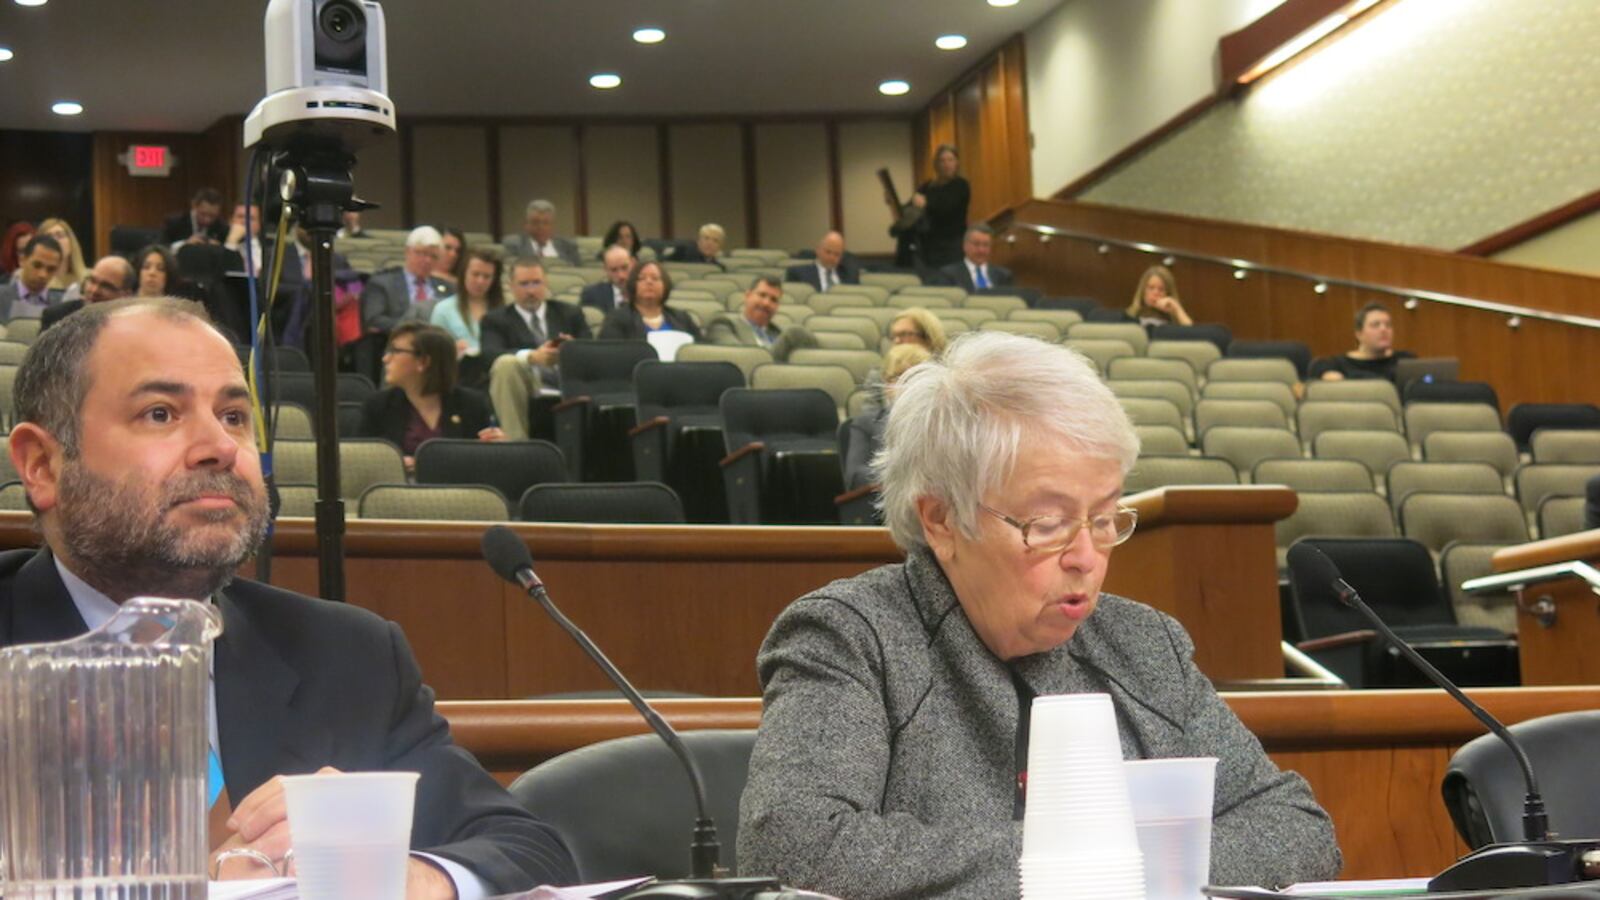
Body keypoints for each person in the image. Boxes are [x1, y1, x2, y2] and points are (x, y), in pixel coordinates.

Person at [0, 297, 577, 896]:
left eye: (233, 416)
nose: (220, 447)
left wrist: (403, 875)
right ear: (42, 465)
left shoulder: (345, 653)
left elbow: (528, 850)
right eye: (160, 413)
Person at [738, 331, 1342, 897]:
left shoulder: (1144, 643)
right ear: (941, 520)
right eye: (1048, 523)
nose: (1087, 557)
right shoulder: (851, 638)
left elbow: (1296, 829)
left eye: (1104, 519)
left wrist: (1099, 866)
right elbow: (792, 849)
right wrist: (1106, 862)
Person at [361, 321, 505, 470]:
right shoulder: (378, 406)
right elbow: (362, 461)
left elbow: (486, 463)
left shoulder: (472, 405)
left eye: (396, 351)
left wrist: (498, 448)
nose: (385, 359)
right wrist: (393, 464)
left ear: (423, 361)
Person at [484, 258, 591, 440]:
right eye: (524, 284)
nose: (531, 290)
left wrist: (572, 350)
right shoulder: (495, 320)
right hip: (527, 384)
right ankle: (516, 446)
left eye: (536, 283)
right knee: (505, 364)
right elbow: (489, 356)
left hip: (567, 382)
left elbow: (592, 352)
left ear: (545, 283)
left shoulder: (570, 313)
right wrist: (532, 357)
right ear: (511, 286)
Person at [843, 342, 930, 491]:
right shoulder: (865, 424)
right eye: (897, 378)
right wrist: (909, 477)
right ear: (885, 383)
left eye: (913, 378)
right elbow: (855, 476)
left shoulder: (943, 423)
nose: (905, 386)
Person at [430, 248, 505, 387]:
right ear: (464, 274)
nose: (480, 281)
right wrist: (451, 349)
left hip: (498, 378)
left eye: (487, 276)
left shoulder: (503, 311)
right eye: (475, 274)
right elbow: (435, 353)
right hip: (459, 378)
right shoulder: (443, 310)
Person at [362, 226, 452, 334]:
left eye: (434, 256)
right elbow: (374, 320)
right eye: (422, 253)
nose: (428, 260)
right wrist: (416, 330)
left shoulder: (447, 288)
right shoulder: (382, 284)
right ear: (407, 251)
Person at [706, 276, 818, 362]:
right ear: (748, 296)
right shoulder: (722, 324)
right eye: (762, 295)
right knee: (795, 333)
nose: (766, 303)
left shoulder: (778, 333)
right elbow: (738, 358)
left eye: (773, 300)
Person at [1309, 302, 1415, 382]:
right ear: (1359, 334)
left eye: (1388, 325)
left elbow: (1422, 380)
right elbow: (1316, 369)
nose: (1383, 329)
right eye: (1375, 325)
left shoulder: (1406, 360)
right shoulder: (1339, 364)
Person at [599, 260, 701, 341]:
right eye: (642, 278)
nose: (649, 282)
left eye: (655, 278)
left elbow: (698, 349)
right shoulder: (616, 319)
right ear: (633, 284)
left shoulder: (682, 318)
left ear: (665, 285)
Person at [915, 144, 971, 270]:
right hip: (929, 245)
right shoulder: (928, 186)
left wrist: (926, 203)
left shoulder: (961, 185)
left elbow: (947, 207)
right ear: (937, 164)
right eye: (942, 161)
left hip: (952, 245)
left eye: (950, 160)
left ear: (957, 163)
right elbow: (910, 207)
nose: (947, 164)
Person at [42, 254, 134, 330]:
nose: (94, 290)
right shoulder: (57, 317)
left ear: (125, 295)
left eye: (106, 286)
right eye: (92, 281)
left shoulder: (133, 325)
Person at [0, 233, 64, 321]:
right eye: (37, 265)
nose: (43, 274)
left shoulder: (63, 304)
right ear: (22, 260)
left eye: (51, 269)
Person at [502, 200, 580, 267]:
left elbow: (578, 270)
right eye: (535, 222)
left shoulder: (568, 246)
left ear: (552, 226)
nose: (540, 227)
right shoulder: (515, 244)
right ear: (526, 225)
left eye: (546, 223)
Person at [939, 224, 1013, 293]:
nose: (981, 250)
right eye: (976, 244)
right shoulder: (949, 275)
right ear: (965, 246)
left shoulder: (1004, 275)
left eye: (986, 245)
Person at [784, 231, 859, 293]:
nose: (832, 257)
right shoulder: (798, 274)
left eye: (837, 254)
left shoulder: (850, 276)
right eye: (828, 252)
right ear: (818, 250)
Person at [38, 218, 89, 299]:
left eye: (60, 236)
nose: (55, 241)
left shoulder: (89, 279)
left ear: (71, 243)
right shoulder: (34, 282)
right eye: (49, 237)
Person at [1126, 264, 1193, 327]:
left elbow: (1190, 331)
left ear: (1168, 294)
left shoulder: (1174, 318)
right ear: (1143, 291)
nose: (1156, 293)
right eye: (1151, 288)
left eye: (1161, 289)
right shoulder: (1131, 316)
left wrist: (1176, 308)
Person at [162, 187, 228, 247]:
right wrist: (184, 244)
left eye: (213, 216)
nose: (207, 220)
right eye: (203, 214)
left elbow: (228, 250)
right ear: (194, 206)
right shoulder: (174, 222)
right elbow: (161, 247)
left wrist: (220, 248)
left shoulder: (222, 227)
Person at [580, 245, 634, 313]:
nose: (621, 275)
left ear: (633, 264)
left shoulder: (645, 291)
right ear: (606, 270)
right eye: (614, 270)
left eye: (625, 268)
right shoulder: (592, 294)